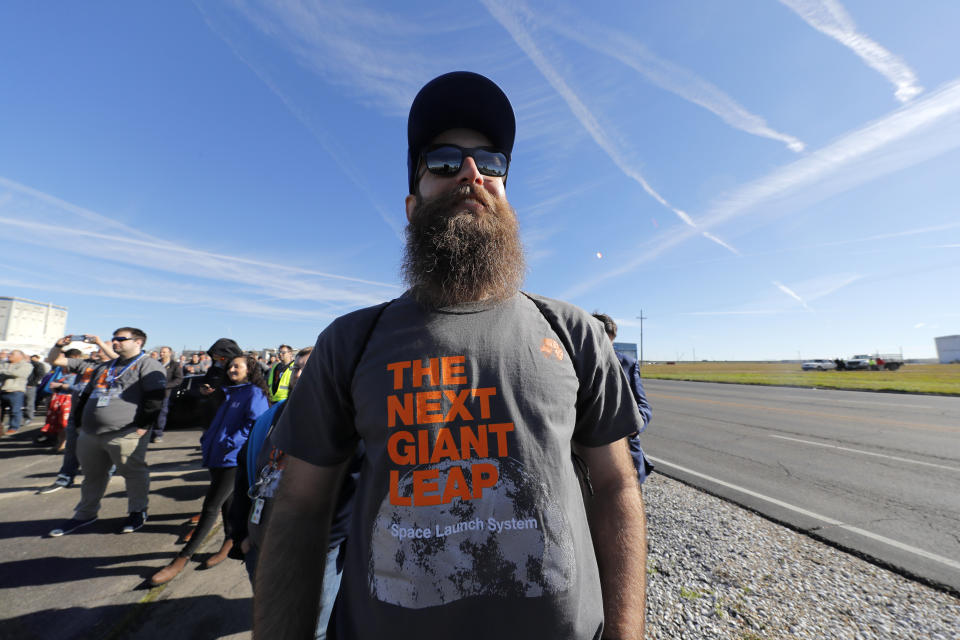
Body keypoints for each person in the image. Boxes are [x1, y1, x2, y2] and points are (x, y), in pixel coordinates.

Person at [254, 72, 648, 640]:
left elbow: (616, 486)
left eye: (491, 163)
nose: (471, 173)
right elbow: (299, 508)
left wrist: (627, 633)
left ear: (506, 196)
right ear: (412, 207)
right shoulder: (350, 341)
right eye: (443, 161)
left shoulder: (572, 332)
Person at [228, 347, 361, 639]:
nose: (300, 374)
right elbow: (243, 479)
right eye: (297, 368)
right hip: (261, 545)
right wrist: (242, 537)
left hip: (313, 554)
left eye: (309, 368)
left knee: (314, 628)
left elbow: (353, 490)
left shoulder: (347, 421)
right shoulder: (269, 418)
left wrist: (325, 543)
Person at [150, 355, 270, 585]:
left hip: (233, 459)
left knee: (210, 507)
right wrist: (208, 439)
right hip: (216, 456)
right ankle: (229, 541)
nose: (232, 369)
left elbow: (256, 424)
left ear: (250, 370)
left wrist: (233, 442)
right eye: (230, 366)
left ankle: (182, 558)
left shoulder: (254, 393)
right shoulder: (230, 391)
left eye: (238, 366)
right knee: (227, 504)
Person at [48, 328, 166, 536]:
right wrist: (80, 423)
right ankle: (85, 514)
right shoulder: (105, 366)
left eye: (121, 339)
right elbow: (86, 394)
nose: (115, 342)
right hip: (91, 433)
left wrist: (142, 426)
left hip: (124, 432)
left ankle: (137, 512)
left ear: (138, 342)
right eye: (114, 339)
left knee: (133, 474)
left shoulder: (147, 364)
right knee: (92, 476)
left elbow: (155, 398)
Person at [37, 342, 116, 493]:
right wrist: (58, 346)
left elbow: (119, 358)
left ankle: (105, 477)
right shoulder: (85, 364)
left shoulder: (119, 367)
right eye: (99, 347)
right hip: (78, 414)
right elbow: (55, 360)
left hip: (103, 416)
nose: (99, 349)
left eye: (104, 347)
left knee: (106, 451)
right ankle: (65, 479)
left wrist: (99, 341)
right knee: (72, 448)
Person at [592, 313, 654, 484]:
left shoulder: (628, 363)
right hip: (590, 452)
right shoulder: (576, 363)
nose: (607, 348)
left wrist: (634, 426)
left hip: (627, 452)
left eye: (610, 342)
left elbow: (643, 406)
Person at [33, 349, 82, 450]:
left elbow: (78, 387)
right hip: (57, 398)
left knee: (65, 423)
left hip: (68, 399)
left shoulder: (79, 371)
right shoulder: (60, 370)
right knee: (57, 422)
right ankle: (60, 443)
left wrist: (60, 385)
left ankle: (64, 444)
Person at [152, 346, 184, 443]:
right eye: (161, 352)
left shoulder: (175, 365)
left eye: (164, 352)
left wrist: (166, 385)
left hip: (165, 393)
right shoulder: (155, 363)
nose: (162, 354)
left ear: (170, 353)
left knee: (161, 414)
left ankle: (158, 434)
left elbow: (179, 379)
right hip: (152, 392)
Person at [1, 350, 33, 436]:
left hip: (16, 391)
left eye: (12, 354)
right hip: (3, 390)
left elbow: (18, 374)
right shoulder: (5, 363)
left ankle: (13, 427)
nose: (9, 355)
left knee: (15, 411)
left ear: (20, 356)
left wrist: (3, 372)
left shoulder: (26, 365)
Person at [24, 354, 48, 423]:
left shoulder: (38, 365)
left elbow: (40, 374)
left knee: (30, 402)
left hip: (31, 385)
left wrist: (32, 383)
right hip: (23, 385)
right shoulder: (27, 364)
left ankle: (29, 417)